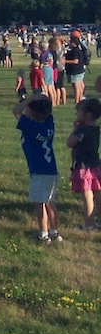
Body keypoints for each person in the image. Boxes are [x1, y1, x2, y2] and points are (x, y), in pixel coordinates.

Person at [14, 95, 59, 243]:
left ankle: (43, 234)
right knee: (50, 202)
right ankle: (54, 231)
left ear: (32, 112)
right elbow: (47, 112)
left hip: (38, 171)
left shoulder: (31, 125)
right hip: (51, 169)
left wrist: (30, 98)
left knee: (40, 204)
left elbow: (16, 111)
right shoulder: (49, 123)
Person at [66, 97, 101, 232]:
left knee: (87, 196)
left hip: (83, 167)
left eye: (79, 112)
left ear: (87, 114)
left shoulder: (82, 131)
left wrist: (75, 130)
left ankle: (88, 224)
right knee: (98, 195)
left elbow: (70, 143)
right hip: (96, 165)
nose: (77, 115)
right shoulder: (95, 128)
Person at [63, 30, 89, 103]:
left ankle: (77, 100)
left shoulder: (75, 50)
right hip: (80, 67)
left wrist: (64, 61)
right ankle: (80, 98)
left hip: (75, 69)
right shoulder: (81, 47)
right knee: (80, 84)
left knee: (76, 85)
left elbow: (75, 61)